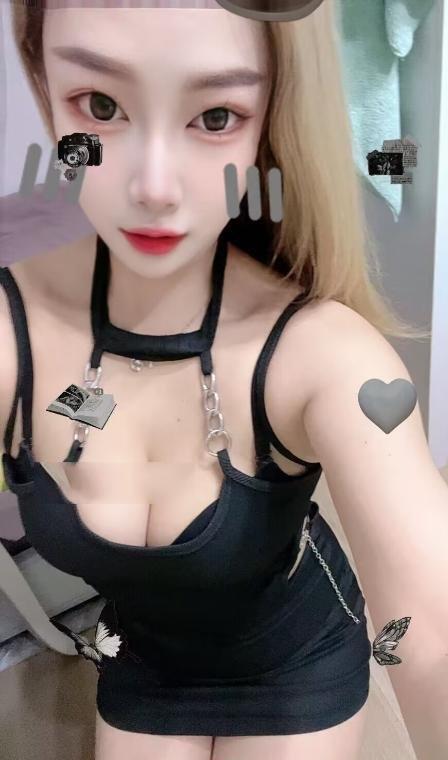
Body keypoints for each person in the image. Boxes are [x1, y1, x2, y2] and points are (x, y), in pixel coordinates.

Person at [1, 2, 448, 760]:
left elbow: (431, 634)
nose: (154, 187)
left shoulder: (320, 354)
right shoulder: (13, 337)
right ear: (43, 81)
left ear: (270, 118)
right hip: (143, 659)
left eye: (215, 117)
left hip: (295, 661)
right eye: (100, 105)